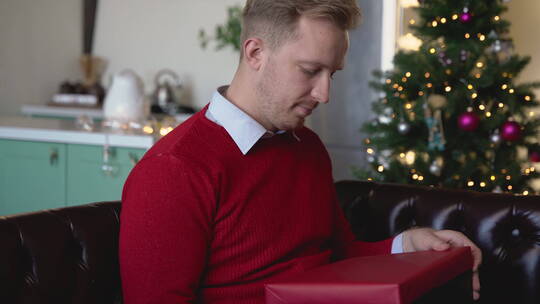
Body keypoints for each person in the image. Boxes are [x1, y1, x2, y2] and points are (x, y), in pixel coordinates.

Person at [119, 0, 482, 303]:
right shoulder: (175, 169)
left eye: (332, 74)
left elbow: (340, 257)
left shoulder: (306, 147)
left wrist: (408, 243)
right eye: (311, 71)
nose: (324, 94)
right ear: (256, 52)